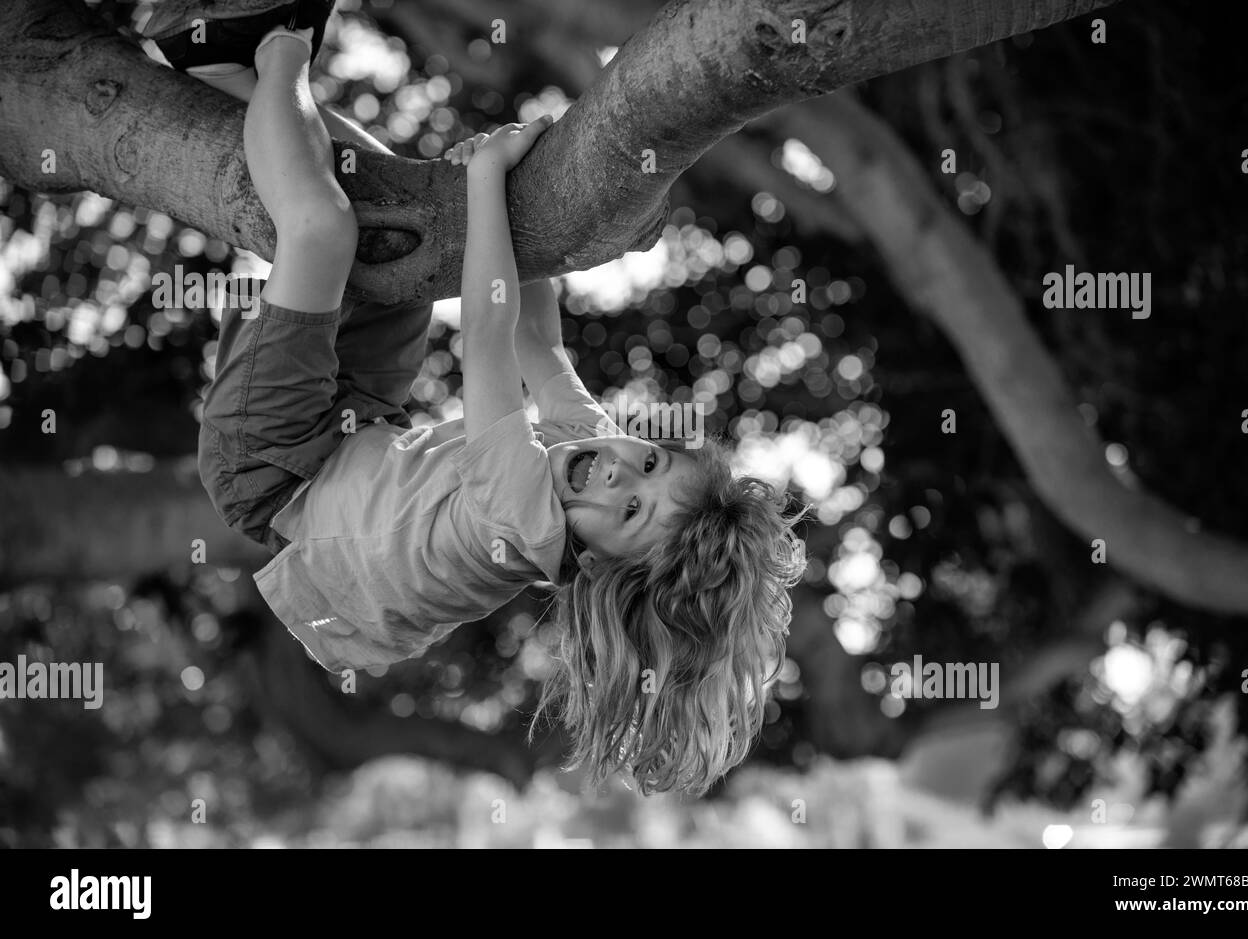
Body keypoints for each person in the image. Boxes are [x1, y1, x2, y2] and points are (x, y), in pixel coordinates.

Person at [147, 2, 806, 795]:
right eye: (650, 460)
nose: (616, 473)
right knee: (396, 220)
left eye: (630, 511)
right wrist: (521, 205)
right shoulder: (585, 457)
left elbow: (488, 339)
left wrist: (485, 178)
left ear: (600, 567)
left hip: (271, 462)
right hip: (354, 424)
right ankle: (220, 68)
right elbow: (540, 344)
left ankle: (280, 38)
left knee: (321, 227)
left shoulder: (524, 519)